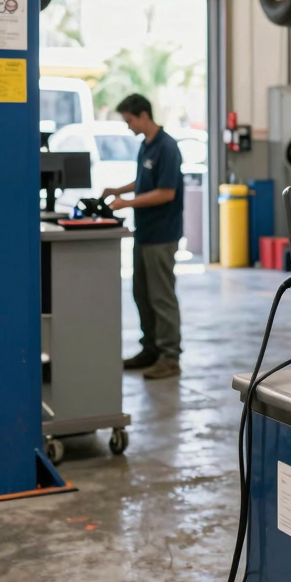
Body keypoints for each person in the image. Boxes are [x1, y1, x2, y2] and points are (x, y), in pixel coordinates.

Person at [102, 93, 185, 380]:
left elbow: (166, 192)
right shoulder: (146, 146)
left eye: (129, 120)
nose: (128, 126)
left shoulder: (167, 147)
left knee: (161, 297)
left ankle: (169, 357)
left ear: (144, 115)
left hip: (162, 234)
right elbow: (144, 182)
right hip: (145, 233)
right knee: (142, 294)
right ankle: (150, 349)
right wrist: (118, 191)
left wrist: (126, 203)